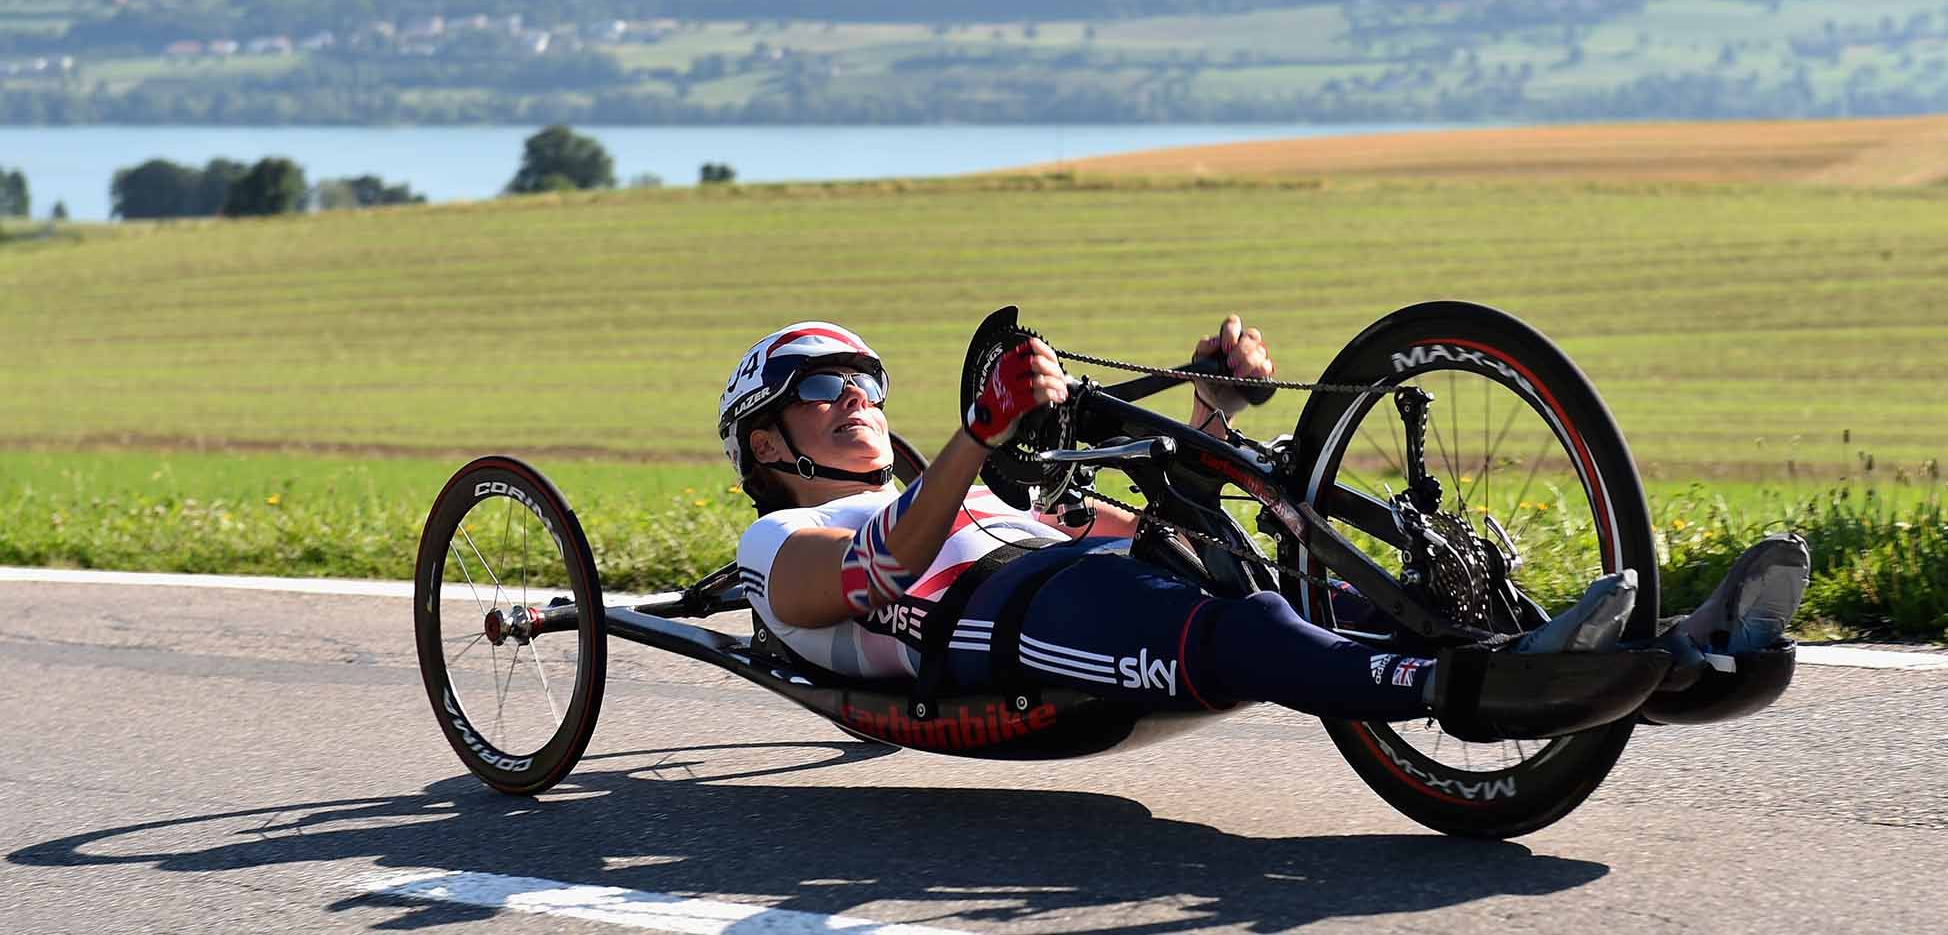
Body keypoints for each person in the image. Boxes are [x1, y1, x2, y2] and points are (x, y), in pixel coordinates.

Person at [722, 317, 1808, 727]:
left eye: (865, 380)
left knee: (1301, 590)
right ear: (769, 446)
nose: (856, 398)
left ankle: (1664, 658)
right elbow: (880, 569)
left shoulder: (990, 495)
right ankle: (1460, 689)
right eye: (822, 390)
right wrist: (977, 431)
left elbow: (1156, 517)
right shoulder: (774, 548)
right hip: (996, 623)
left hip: (1066, 580)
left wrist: (1213, 417)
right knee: (1227, 632)